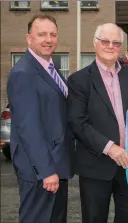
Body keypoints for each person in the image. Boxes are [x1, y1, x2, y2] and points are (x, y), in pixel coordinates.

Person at [67, 23, 128, 223]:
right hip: (96, 164)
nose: (110, 46)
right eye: (105, 41)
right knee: (95, 218)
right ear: (95, 43)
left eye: (116, 42)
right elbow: (77, 122)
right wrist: (110, 148)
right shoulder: (79, 80)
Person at [6, 14, 73, 223]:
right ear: (29, 38)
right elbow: (29, 128)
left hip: (56, 166)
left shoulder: (52, 70)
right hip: (41, 172)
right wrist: (46, 171)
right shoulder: (23, 73)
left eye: (52, 34)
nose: (48, 39)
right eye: (41, 34)